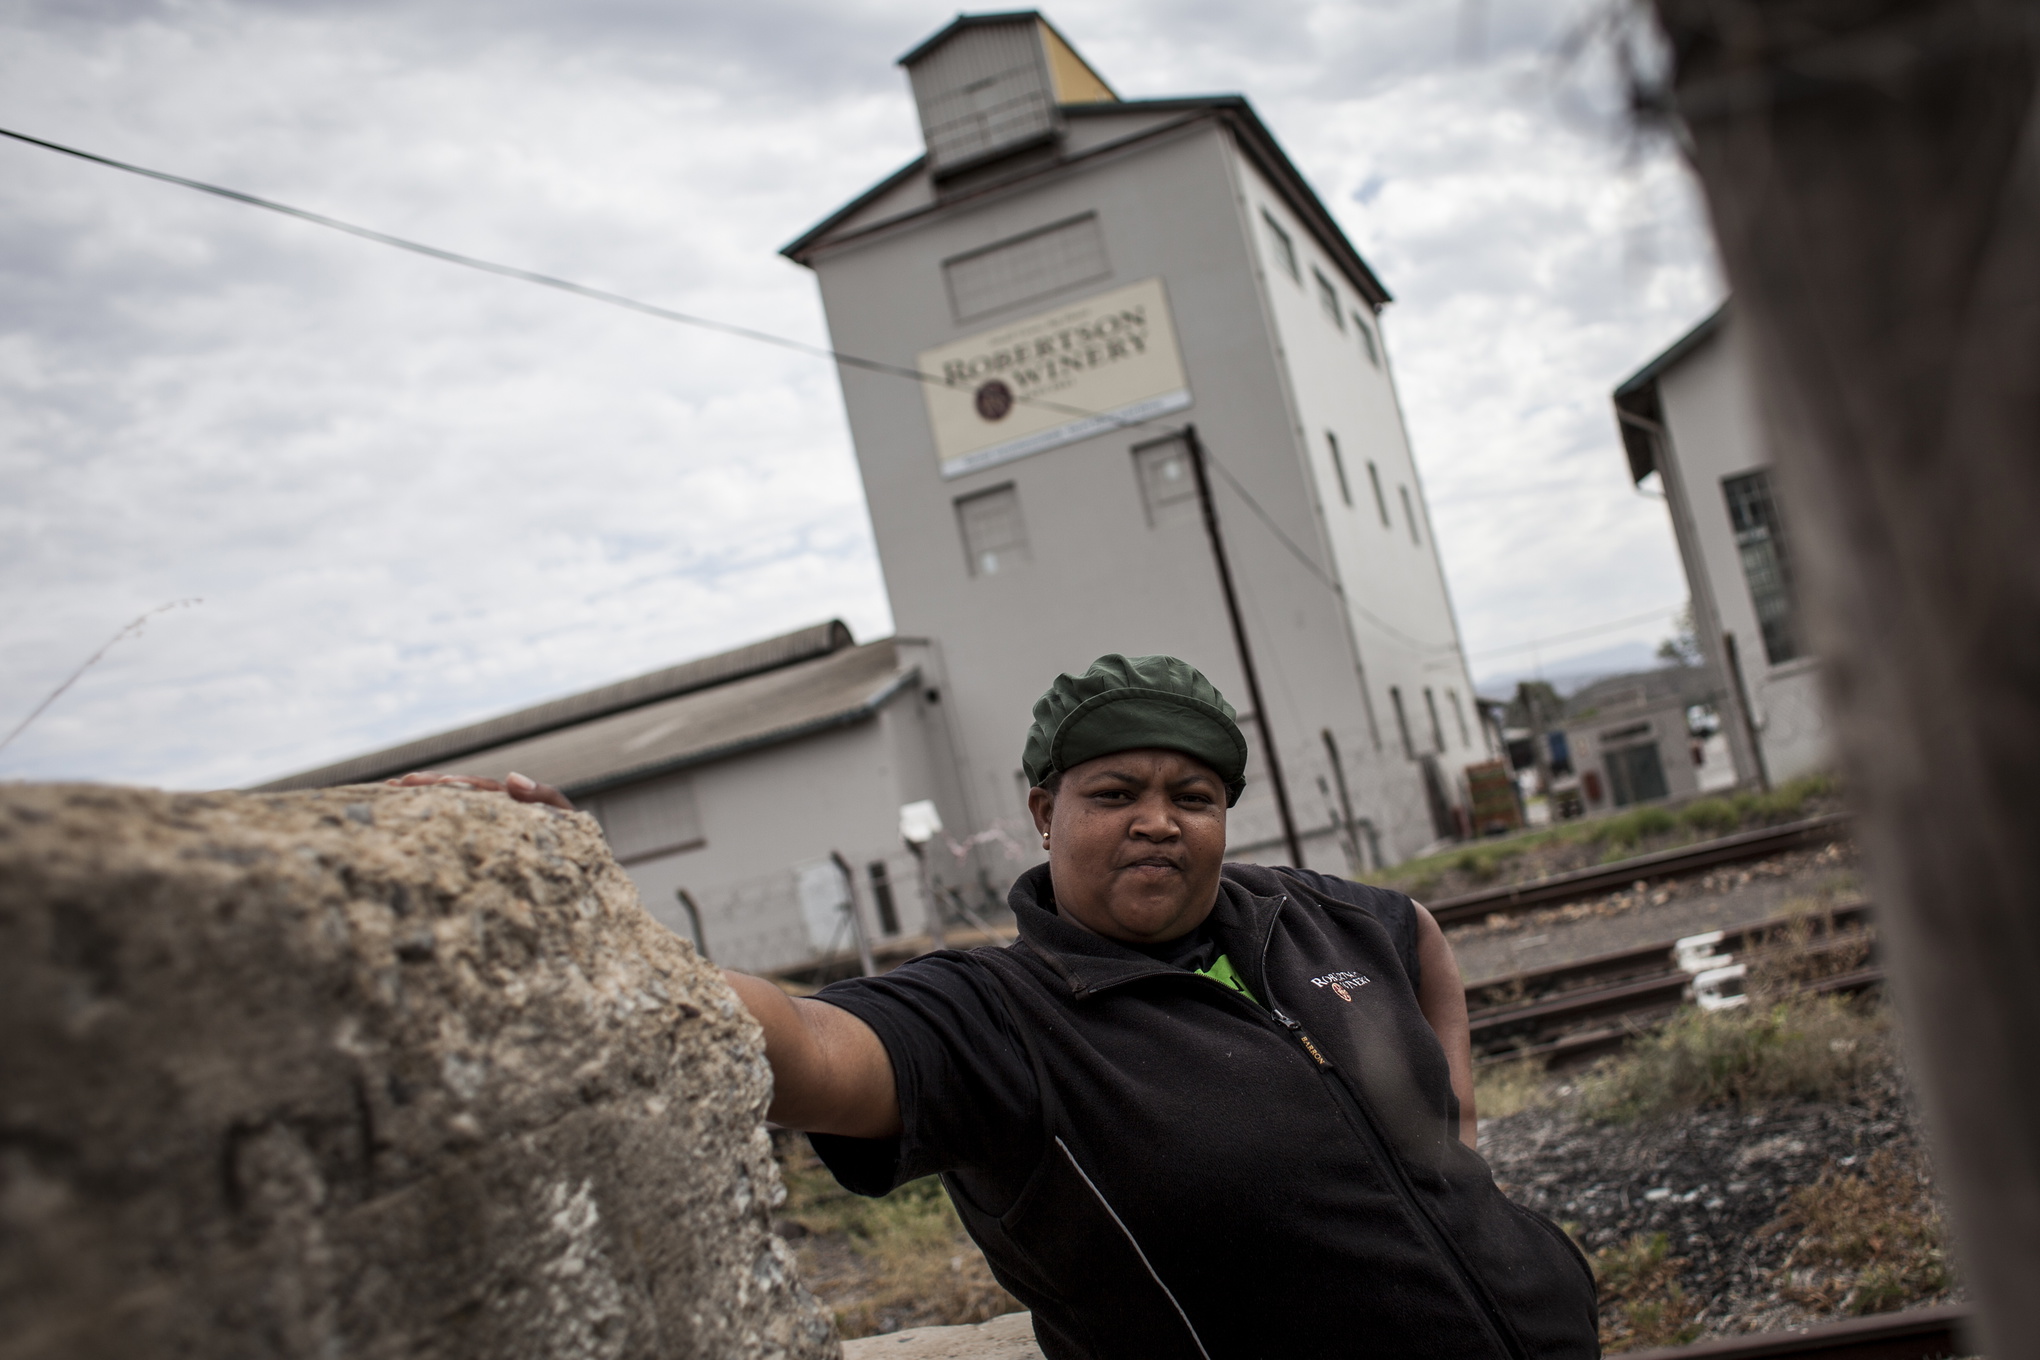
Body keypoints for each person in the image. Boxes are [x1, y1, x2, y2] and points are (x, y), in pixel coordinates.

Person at [400, 655, 1598, 1359]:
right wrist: (581, 920)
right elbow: (803, 1044)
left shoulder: (1314, 917)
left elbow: (1422, 937)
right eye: (1114, 789)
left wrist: (1458, 1127)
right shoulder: (998, 1017)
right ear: (1042, 811)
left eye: (1192, 792)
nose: (1157, 818)